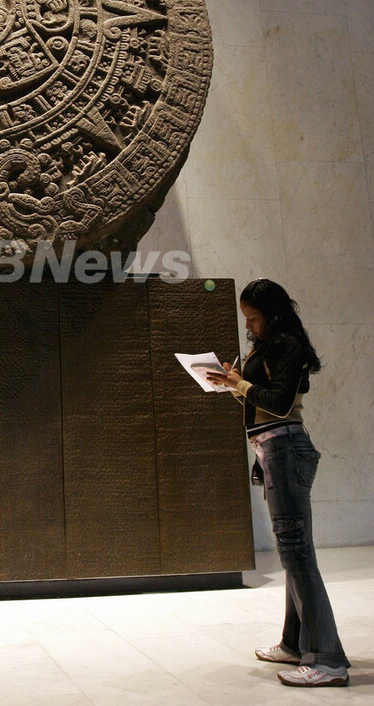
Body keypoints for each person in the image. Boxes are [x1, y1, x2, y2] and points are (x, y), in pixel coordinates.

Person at [207, 278, 350, 688]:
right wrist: (234, 386)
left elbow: (280, 403)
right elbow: (263, 399)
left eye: (253, 317)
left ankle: (328, 659)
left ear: (271, 313)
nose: (249, 325)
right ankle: (294, 642)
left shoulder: (288, 345)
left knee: (297, 553)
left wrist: (240, 384)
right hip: (276, 448)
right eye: (246, 318)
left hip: (286, 449)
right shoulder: (271, 346)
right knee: (294, 552)